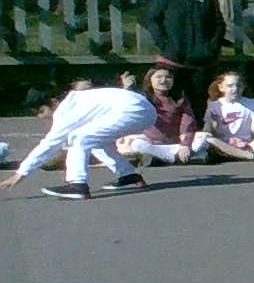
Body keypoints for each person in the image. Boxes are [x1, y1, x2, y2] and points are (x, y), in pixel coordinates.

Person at [10, 80, 156, 199]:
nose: (40, 116)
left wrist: (21, 173)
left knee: (78, 137)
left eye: (41, 111)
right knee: (93, 140)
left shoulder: (65, 110)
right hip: (145, 110)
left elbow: (50, 143)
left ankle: (77, 185)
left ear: (54, 102)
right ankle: (128, 175)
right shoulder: (78, 101)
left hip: (132, 110)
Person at [142, 0, 227, 118]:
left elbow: (219, 24)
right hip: (174, 61)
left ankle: (196, 132)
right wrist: (166, 45)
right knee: (169, 102)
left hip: (201, 62)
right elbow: (152, 21)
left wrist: (211, 47)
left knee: (198, 104)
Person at [115, 64, 198, 165]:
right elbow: (126, 108)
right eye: (159, 77)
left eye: (168, 77)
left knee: (203, 141)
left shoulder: (180, 101)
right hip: (151, 144)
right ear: (150, 80)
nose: (163, 80)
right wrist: (127, 89)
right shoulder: (143, 98)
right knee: (137, 144)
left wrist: (185, 145)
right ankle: (172, 158)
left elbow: (189, 124)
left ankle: (159, 159)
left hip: (175, 145)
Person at [192, 69, 254, 161]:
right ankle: (244, 155)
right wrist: (214, 123)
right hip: (223, 144)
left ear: (243, 87)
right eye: (230, 86)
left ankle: (232, 155)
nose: (235, 89)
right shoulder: (214, 105)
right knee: (203, 137)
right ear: (221, 87)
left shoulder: (252, 104)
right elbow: (212, 132)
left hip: (246, 144)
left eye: (238, 86)